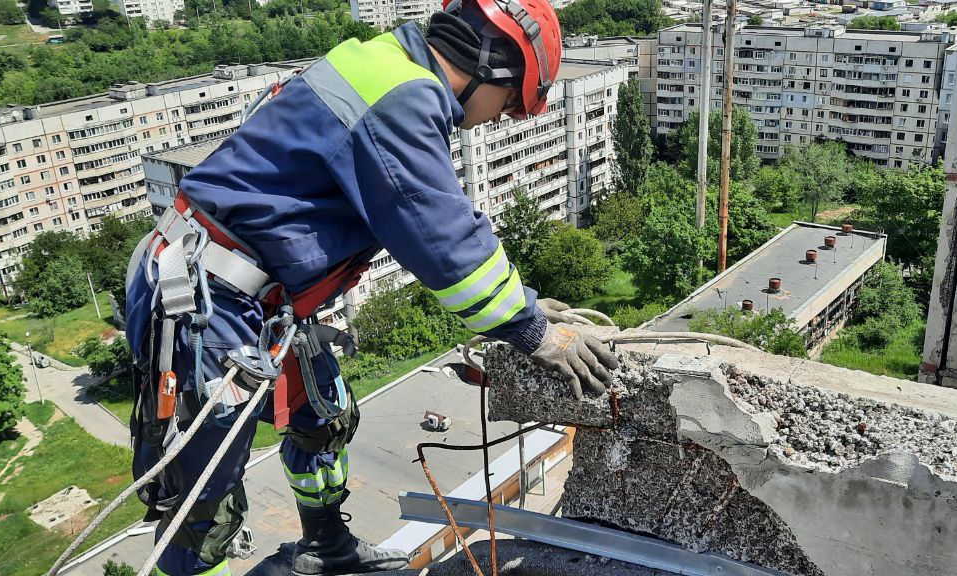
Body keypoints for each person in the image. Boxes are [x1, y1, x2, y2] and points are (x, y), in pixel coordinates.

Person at [122, 1, 619, 574]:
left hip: (262, 295)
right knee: (203, 484)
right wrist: (533, 329)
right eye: (511, 102)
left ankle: (326, 546)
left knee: (324, 414)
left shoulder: (386, 65)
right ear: (492, 68)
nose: (502, 118)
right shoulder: (401, 98)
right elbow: (445, 242)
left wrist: (524, 303)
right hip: (207, 296)